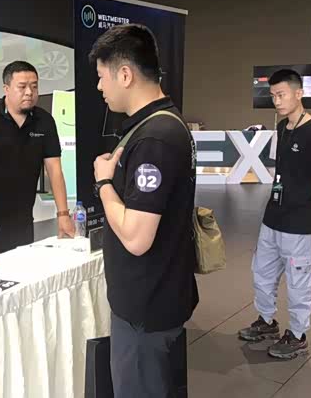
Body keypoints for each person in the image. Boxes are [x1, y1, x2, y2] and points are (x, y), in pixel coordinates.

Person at [90, 24, 198, 397]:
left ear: (125, 74)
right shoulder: (160, 125)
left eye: (102, 77)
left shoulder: (155, 138)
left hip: (146, 307)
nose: (99, 87)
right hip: (155, 297)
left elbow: (137, 238)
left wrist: (104, 183)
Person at [238, 69, 311, 359]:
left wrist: (305, 203)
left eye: (281, 95)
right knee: (262, 272)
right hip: (273, 218)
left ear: (299, 93)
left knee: (298, 283)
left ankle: (297, 335)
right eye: (273, 96)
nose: (277, 101)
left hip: (301, 225)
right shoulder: (282, 128)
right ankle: (266, 321)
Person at [0, 61, 74, 262]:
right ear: (6, 89)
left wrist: (63, 214)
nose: (29, 92)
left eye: (34, 86)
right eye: (22, 87)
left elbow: (55, 169)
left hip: (22, 221)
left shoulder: (45, 121)